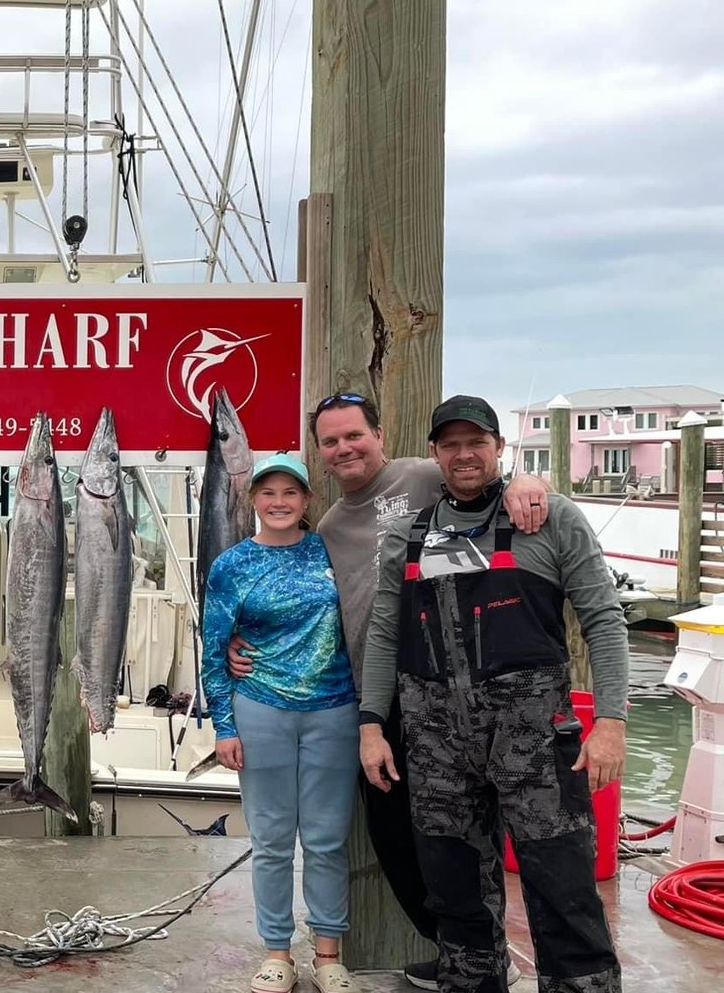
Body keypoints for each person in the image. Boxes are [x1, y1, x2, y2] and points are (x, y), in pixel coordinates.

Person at [232, 392, 548, 989]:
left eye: (354, 435)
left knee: (460, 828)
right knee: (393, 833)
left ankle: (481, 952)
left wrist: (528, 482)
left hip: (446, 685)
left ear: (379, 434)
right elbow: (303, 603)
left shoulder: (423, 474)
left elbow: (482, 472)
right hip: (373, 696)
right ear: (320, 455)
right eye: (330, 441)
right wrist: (237, 637)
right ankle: (456, 948)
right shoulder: (326, 525)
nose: (345, 448)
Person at [361, 395, 626, 993]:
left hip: (531, 740)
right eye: (450, 444)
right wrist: (372, 724)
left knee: (561, 884)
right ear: (435, 454)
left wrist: (610, 720)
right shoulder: (409, 535)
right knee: (453, 887)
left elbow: (604, 619)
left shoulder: (550, 517)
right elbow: (384, 631)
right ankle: (472, 980)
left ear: (499, 448)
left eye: (476, 442)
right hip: (435, 746)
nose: (464, 454)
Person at [202, 453, 360, 993]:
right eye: (268, 493)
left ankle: (327, 953)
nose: (279, 502)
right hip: (259, 709)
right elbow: (214, 648)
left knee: (326, 838)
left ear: (306, 501)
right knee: (271, 840)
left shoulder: (330, 551)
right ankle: (276, 952)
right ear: (253, 502)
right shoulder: (231, 565)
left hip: (334, 710)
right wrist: (224, 726)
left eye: (289, 493)